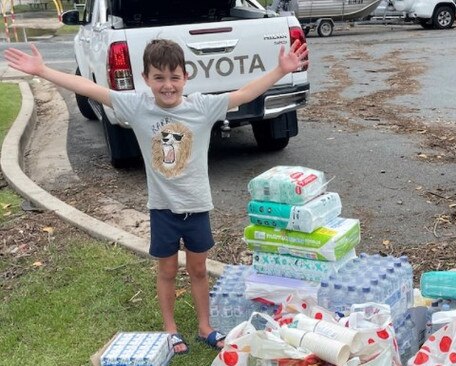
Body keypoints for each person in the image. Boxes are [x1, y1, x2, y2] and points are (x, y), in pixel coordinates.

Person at [3, 38, 308, 354]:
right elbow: (87, 87)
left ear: (185, 78)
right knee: (166, 271)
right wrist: (43, 70)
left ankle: (205, 327)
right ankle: (171, 330)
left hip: (197, 208)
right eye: (159, 78)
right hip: (162, 210)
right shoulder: (136, 106)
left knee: (200, 270)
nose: (167, 85)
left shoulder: (202, 107)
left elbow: (244, 94)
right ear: (146, 79)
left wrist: (280, 70)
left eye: (174, 77)